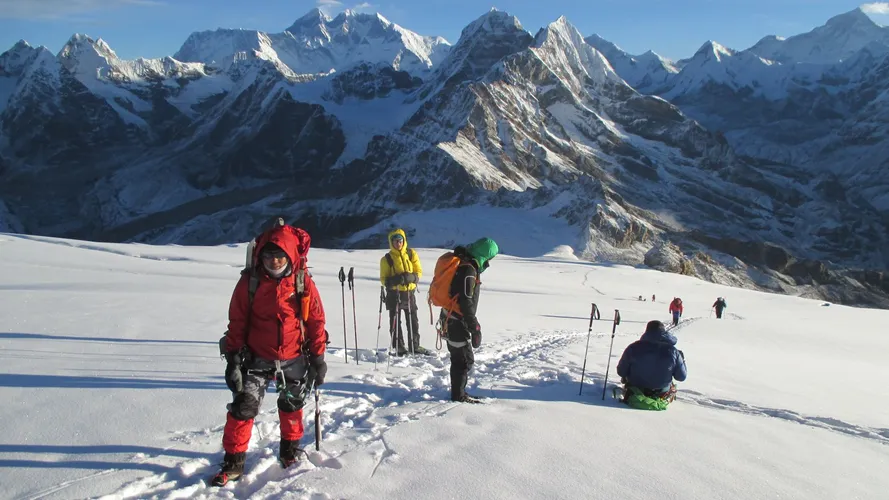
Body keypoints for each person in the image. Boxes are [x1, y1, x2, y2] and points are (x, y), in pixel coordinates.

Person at [213, 224, 328, 487]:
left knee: (292, 407)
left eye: (279, 256)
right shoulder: (250, 282)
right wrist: (233, 358)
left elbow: (316, 322)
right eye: (267, 257)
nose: (273, 262)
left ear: (289, 256)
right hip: (255, 358)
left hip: (293, 356)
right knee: (244, 408)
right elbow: (237, 321)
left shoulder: (301, 282)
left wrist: (318, 358)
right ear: (260, 257)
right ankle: (233, 462)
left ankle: (289, 452)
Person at [440, 237, 499, 403]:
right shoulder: (469, 270)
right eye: (489, 258)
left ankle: (459, 392)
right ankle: (458, 396)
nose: (488, 263)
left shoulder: (463, 263)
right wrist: (475, 328)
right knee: (462, 360)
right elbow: (466, 302)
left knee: (463, 358)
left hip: (450, 317)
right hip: (456, 321)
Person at [616, 320, 687, 410]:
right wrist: (682, 359)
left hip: (636, 390)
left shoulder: (633, 347)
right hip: (662, 392)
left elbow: (621, 371)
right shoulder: (673, 351)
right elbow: (681, 377)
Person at [379, 229, 429, 355]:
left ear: (404, 240)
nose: (398, 243)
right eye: (395, 241)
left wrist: (411, 278)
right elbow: (384, 280)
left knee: (413, 320)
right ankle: (399, 347)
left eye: (400, 240)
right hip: (394, 294)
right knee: (395, 321)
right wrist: (397, 280)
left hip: (409, 292)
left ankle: (414, 346)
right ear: (391, 242)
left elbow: (418, 272)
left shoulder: (411, 254)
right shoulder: (386, 259)